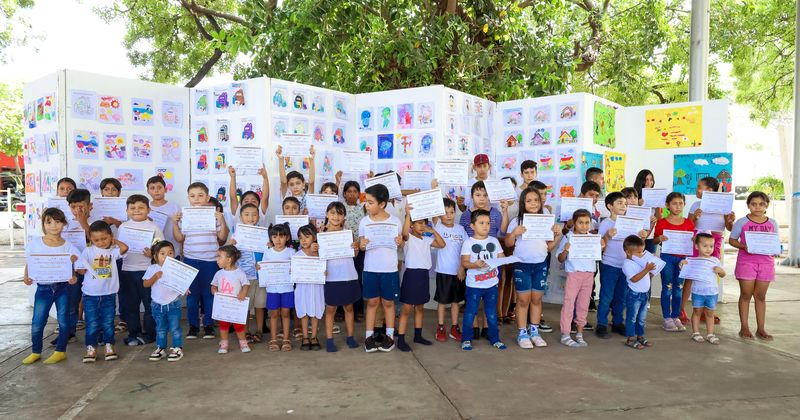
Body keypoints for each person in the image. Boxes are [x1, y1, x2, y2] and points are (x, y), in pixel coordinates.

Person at [22, 208, 81, 365]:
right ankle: (36, 352)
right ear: (43, 224)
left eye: (57, 222)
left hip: (63, 288)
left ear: (64, 224)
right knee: (38, 321)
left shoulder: (68, 246)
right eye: (49, 222)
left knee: (64, 320)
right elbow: (31, 262)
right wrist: (26, 276)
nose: (53, 226)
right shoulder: (35, 243)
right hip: (43, 288)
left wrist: (73, 277)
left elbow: (73, 269)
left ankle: (60, 351)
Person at [504, 187, 561, 348]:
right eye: (529, 200)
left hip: (540, 263)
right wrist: (514, 233)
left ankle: (534, 332)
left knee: (536, 299)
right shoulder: (517, 221)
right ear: (523, 203)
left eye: (536, 200)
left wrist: (557, 236)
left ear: (541, 202)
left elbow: (548, 247)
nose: (533, 203)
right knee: (523, 300)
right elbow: (508, 244)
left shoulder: (546, 221)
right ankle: (522, 333)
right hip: (522, 264)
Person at [172, 182, 229, 340]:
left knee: (209, 295)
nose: (196, 199)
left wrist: (222, 220)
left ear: (207, 197)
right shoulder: (184, 216)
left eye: (200, 195)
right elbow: (179, 238)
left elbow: (223, 237)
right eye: (192, 196)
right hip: (191, 261)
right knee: (192, 297)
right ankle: (194, 327)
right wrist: (174, 223)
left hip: (210, 261)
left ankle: (209, 325)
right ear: (188, 198)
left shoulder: (213, 215)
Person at [459, 181, 510, 339]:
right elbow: (462, 241)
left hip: (492, 262)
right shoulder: (466, 215)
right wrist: (461, 267)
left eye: (486, 195)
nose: (482, 198)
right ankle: (473, 326)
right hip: (473, 263)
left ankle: (488, 327)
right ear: (472, 196)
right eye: (478, 195)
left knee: (490, 297)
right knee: (473, 299)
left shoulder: (495, 213)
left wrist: (505, 210)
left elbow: (502, 232)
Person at [358, 184, 404, 353]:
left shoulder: (395, 221)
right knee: (372, 302)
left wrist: (401, 242)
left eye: (370, 202)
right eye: (366, 202)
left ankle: (390, 336)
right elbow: (362, 245)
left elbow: (400, 243)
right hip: (370, 269)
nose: (366, 205)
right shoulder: (364, 221)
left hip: (389, 270)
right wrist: (362, 244)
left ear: (382, 204)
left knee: (388, 303)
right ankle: (369, 336)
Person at [597, 192, 648, 338]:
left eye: (625, 203)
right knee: (606, 296)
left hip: (626, 266)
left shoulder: (630, 222)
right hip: (609, 265)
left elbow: (638, 246)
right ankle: (601, 324)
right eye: (619, 203)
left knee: (622, 297)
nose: (623, 206)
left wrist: (642, 236)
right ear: (609, 206)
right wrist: (607, 235)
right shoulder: (606, 223)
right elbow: (599, 246)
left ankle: (617, 322)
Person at [729, 191, 779, 341]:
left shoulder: (772, 223)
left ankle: (761, 329)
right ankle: (744, 327)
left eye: (761, 204)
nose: (757, 207)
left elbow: (774, 241)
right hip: (746, 262)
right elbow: (732, 240)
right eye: (754, 204)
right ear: (748, 205)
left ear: (766, 206)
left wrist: (775, 249)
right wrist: (744, 246)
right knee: (746, 295)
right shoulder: (742, 222)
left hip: (766, 263)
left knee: (761, 296)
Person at [77, 221, 128, 362]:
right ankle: (91, 348)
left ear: (110, 236)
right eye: (96, 240)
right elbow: (80, 269)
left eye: (104, 238)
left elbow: (125, 248)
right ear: (91, 239)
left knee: (108, 322)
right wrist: (80, 267)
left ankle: (109, 346)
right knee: (92, 323)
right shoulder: (87, 251)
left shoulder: (113, 251)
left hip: (109, 294)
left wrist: (114, 241)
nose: (100, 242)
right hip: (90, 295)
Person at [687, 176, 735, 324]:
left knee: (712, 273)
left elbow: (730, 228)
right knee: (691, 274)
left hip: (715, 241)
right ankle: (682, 310)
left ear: (709, 190)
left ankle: (707, 312)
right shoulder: (696, 205)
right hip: (698, 241)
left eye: (699, 186)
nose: (696, 189)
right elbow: (688, 226)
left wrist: (730, 221)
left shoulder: (724, 206)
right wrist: (695, 217)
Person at [118, 194, 164, 346]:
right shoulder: (123, 227)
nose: (136, 210)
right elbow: (119, 249)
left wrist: (152, 254)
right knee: (130, 305)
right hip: (127, 270)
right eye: (132, 208)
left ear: (148, 210)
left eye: (141, 207)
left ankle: (150, 334)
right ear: (127, 210)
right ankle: (133, 333)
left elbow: (162, 253)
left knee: (150, 304)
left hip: (147, 271)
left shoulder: (154, 228)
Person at [397, 209, 445, 352]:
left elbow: (442, 244)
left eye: (424, 223)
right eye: (418, 223)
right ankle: (400, 339)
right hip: (411, 275)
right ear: (412, 225)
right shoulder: (408, 239)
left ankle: (418, 335)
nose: (421, 226)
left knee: (420, 307)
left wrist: (432, 230)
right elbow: (405, 233)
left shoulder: (427, 239)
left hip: (423, 275)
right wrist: (407, 215)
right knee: (406, 309)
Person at [558, 209, 605, 347]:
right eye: (580, 223)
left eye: (587, 223)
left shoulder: (593, 238)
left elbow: (597, 255)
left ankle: (579, 333)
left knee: (583, 305)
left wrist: (602, 247)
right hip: (574, 274)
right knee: (569, 303)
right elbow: (560, 259)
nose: (584, 226)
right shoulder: (568, 238)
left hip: (589, 275)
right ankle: (565, 334)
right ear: (574, 223)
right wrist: (566, 250)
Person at [321, 202, 361, 352]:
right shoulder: (321, 235)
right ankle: (330, 339)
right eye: (332, 213)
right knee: (330, 309)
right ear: (326, 214)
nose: (336, 216)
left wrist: (356, 248)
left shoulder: (348, 234)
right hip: (331, 277)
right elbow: (318, 256)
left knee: (349, 307)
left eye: (339, 213)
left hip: (348, 275)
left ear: (344, 216)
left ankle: (350, 337)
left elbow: (355, 255)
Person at [653, 192, 695, 332]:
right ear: (667, 205)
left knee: (678, 288)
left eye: (681, 203)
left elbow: (693, 241)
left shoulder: (688, 223)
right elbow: (654, 240)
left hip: (682, 259)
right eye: (674, 203)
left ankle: (676, 316)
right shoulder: (662, 222)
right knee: (668, 287)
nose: (678, 206)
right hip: (667, 258)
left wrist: (694, 241)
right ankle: (667, 318)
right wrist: (660, 238)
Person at [227, 203, 266, 343]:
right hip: (243, 277)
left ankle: (260, 330)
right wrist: (231, 244)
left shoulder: (263, 233)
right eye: (247, 214)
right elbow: (230, 255)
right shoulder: (235, 232)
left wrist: (268, 247)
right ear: (241, 217)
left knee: (260, 304)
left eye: (254, 214)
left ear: (258, 217)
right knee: (246, 306)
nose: (251, 218)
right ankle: (247, 331)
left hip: (259, 275)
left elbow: (267, 253)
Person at [64, 188, 97, 342]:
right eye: (73, 207)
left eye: (81, 206)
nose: (77, 210)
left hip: (94, 268)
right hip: (74, 269)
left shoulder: (97, 223)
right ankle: (69, 332)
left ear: (90, 205)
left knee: (95, 301)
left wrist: (83, 223)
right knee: (72, 301)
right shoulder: (65, 225)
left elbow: (98, 240)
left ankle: (97, 333)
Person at [143, 240, 186, 361]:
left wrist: (185, 287)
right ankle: (161, 348)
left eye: (170, 253)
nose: (167, 256)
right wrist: (155, 277)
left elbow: (182, 282)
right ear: (155, 256)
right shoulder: (152, 268)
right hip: (157, 305)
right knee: (160, 328)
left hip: (173, 304)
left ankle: (177, 347)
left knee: (175, 327)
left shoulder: (176, 268)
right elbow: (146, 284)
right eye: (162, 253)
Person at [680, 233, 725, 344]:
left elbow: (723, 274)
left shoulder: (715, 260)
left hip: (712, 292)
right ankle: (695, 332)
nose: (708, 249)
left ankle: (710, 334)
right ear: (696, 246)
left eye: (711, 246)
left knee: (710, 313)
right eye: (705, 246)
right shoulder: (692, 261)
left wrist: (720, 271)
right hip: (698, 292)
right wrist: (682, 264)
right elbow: (684, 270)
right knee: (697, 311)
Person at [432, 198, 467, 342]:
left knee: (455, 302)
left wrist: (462, 267)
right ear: (440, 215)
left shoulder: (460, 229)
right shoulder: (437, 227)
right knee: (442, 301)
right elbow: (434, 214)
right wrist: (435, 189)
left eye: (452, 212)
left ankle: (454, 327)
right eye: (445, 213)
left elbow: (466, 250)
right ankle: (440, 326)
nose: (449, 215)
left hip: (458, 272)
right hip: (443, 271)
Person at [258, 223, 296, 352]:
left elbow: (296, 268)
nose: (278, 239)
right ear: (271, 238)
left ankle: (286, 339)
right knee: (273, 313)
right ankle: (273, 339)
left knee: (285, 313)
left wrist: (293, 270)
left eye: (281, 236)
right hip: (272, 289)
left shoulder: (292, 252)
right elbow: (263, 269)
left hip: (287, 288)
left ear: (287, 237)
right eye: (274, 236)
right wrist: (259, 268)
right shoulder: (267, 253)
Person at [211, 245, 251, 354]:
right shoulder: (218, 273)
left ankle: (243, 342)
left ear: (228, 260)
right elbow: (213, 286)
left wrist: (243, 292)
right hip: (223, 305)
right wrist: (214, 291)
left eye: (219, 256)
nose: (217, 259)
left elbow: (246, 284)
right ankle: (224, 343)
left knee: (239, 325)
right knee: (223, 325)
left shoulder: (239, 273)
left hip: (236, 305)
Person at [621, 235, 655, 350]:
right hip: (634, 295)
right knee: (632, 317)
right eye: (639, 252)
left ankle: (640, 336)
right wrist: (646, 269)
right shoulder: (627, 264)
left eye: (642, 252)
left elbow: (646, 276)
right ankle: (631, 338)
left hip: (645, 294)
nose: (642, 255)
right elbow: (634, 279)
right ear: (628, 252)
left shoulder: (641, 262)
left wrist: (652, 271)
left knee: (642, 318)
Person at [295, 224, 324, 351]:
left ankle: (314, 337)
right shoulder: (296, 255)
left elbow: (324, 267)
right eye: (301, 238)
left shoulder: (320, 253)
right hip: (302, 288)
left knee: (315, 311)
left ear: (314, 238)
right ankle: (305, 336)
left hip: (316, 287)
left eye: (307, 237)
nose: (304, 240)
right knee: (304, 311)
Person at [341, 180, 366, 321]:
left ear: (359, 194)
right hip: (342, 250)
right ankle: (340, 309)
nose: (352, 194)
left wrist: (358, 244)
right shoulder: (339, 208)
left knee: (358, 279)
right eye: (349, 191)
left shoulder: (363, 209)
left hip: (359, 249)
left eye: (355, 191)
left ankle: (358, 309)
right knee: (342, 279)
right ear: (344, 193)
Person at [146, 175, 181, 258]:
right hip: (152, 251)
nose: (156, 191)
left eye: (159, 187)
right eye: (152, 188)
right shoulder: (145, 208)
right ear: (148, 191)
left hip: (173, 250)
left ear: (165, 189)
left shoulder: (175, 207)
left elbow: (181, 230)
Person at [276, 145, 315, 213]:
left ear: (303, 184)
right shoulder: (287, 195)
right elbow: (283, 182)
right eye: (291, 184)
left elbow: (311, 182)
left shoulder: (307, 197)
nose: (295, 186)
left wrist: (311, 160)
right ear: (288, 186)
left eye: (298, 183)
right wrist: (281, 159)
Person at [632, 169, 659, 254]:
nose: (649, 182)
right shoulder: (633, 195)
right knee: (635, 256)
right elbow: (628, 213)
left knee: (649, 258)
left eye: (651, 180)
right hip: (635, 233)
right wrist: (638, 204)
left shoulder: (656, 197)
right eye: (646, 179)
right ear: (641, 181)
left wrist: (655, 218)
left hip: (650, 234)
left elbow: (659, 217)